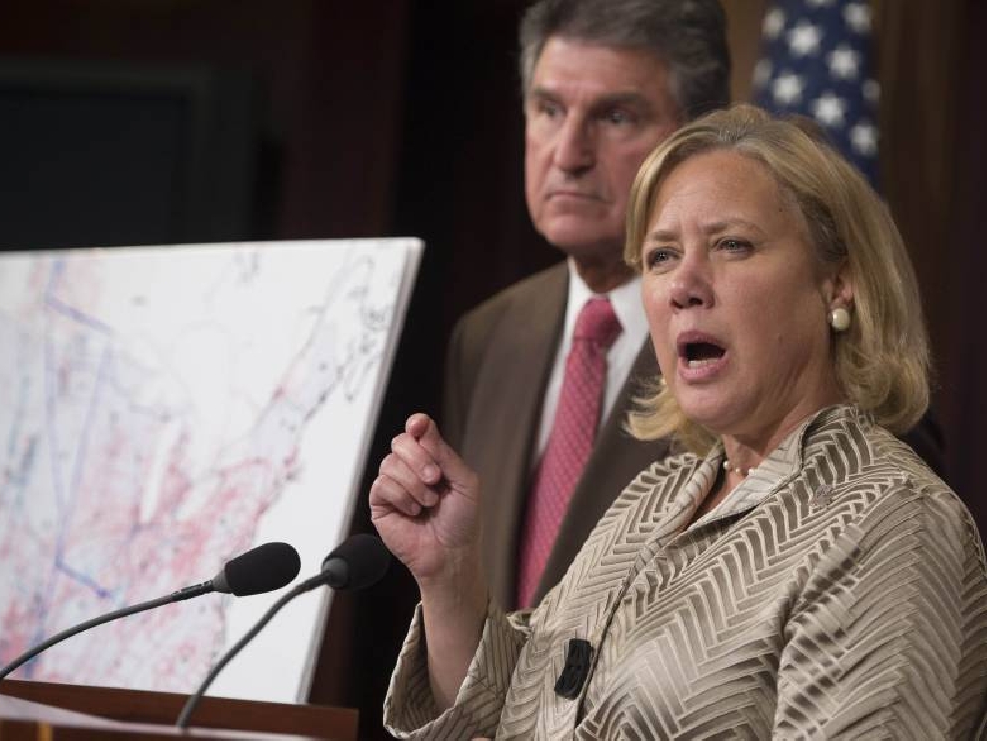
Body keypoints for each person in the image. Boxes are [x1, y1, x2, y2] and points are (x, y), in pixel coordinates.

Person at [371, 104, 987, 738]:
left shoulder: (890, 518)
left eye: (732, 245)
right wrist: (449, 576)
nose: (683, 285)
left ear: (838, 285)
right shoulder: (650, 501)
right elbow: (502, 719)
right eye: (662, 256)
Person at [444, 0, 732, 612]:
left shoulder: (747, 335)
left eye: (616, 116)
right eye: (549, 110)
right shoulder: (488, 335)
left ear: (697, 136)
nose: (568, 154)